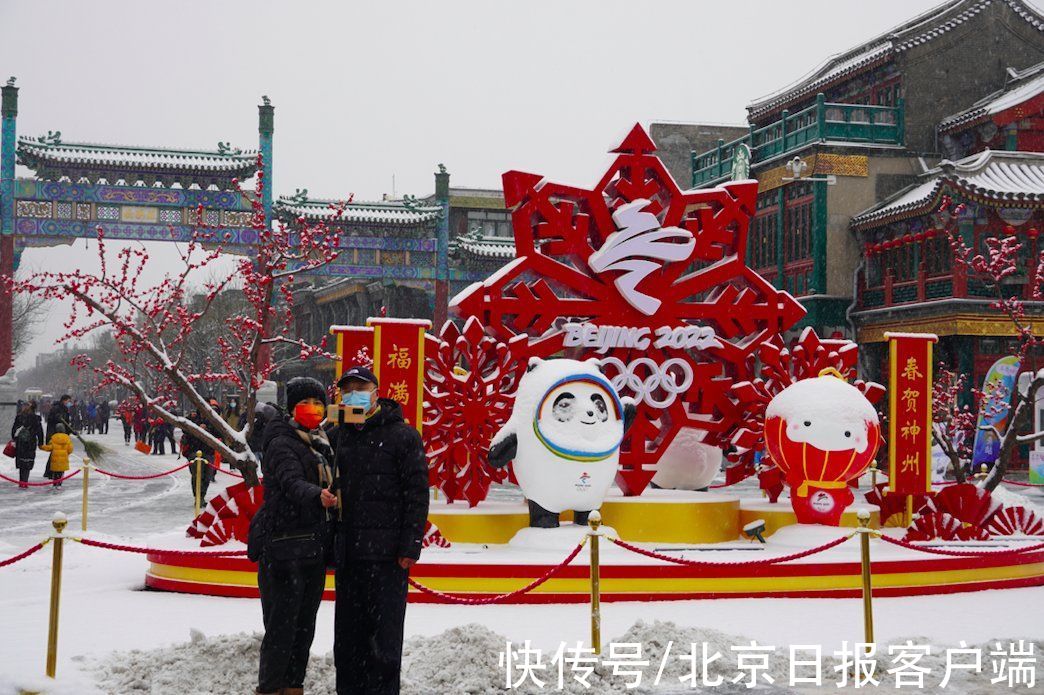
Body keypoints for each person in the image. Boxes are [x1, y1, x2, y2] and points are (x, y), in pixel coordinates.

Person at [332, 366, 429, 695]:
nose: (353, 393)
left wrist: (409, 545)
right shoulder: (339, 434)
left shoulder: (403, 436)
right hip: (349, 555)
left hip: (388, 557)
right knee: (347, 640)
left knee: (384, 643)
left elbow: (417, 495)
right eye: (347, 389)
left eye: (360, 387)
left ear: (376, 391)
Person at [248, 377, 338, 695]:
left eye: (318, 402)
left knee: (303, 627)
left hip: (312, 545)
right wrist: (318, 495)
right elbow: (290, 481)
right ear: (291, 408)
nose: (313, 409)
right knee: (282, 629)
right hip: (283, 547)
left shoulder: (320, 440)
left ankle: (293, 687)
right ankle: (271, 688)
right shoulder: (282, 441)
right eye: (306, 403)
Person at [11, 401, 44, 489]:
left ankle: (22, 481)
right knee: (28, 463)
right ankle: (25, 481)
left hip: (21, 443)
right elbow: (40, 432)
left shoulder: (19, 417)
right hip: (31, 443)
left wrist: (14, 439)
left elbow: (14, 430)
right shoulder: (36, 418)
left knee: (22, 463)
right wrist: (41, 443)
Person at [41, 422, 74, 489]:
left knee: (55, 472)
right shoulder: (67, 438)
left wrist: (42, 447)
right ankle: (59, 484)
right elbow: (70, 449)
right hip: (63, 459)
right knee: (61, 472)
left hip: (55, 459)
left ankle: (55, 483)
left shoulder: (53, 438)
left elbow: (49, 448)